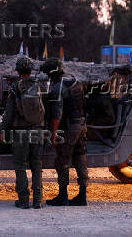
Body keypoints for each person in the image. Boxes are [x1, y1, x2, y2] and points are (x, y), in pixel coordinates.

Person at [41, 58, 89, 206]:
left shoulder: (58, 88)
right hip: (81, 125)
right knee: (80, 158)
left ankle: (63, 196)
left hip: (69, 128)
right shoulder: (76, 82)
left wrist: (54, 135)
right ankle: (82, 195)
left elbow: (57, 115)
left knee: (62, 160)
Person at [0, 57, 45, 209]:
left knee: (20, 166)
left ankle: (24, 200)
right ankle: (38, 200)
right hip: (37, 130)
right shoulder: (38, 86)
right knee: (37, 166)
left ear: (18, 71)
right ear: (31, 70)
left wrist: (2, 130)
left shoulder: (15, 88)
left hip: (21, 133)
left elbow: (9, 114)